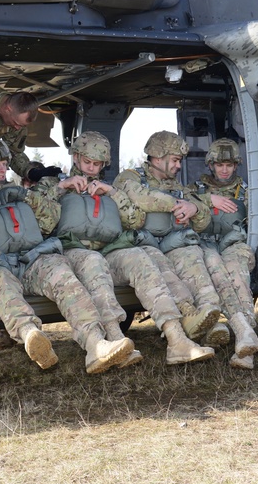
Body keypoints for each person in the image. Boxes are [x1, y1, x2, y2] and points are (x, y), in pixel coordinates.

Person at [27, 131, 215, 366]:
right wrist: (61, 188)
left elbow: (134, 221)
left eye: (97, 164)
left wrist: (114, 194)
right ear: (76, 158)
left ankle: (176, 338)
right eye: (87, 162)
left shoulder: (109, 187)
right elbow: (35, 217)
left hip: (109, 251)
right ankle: (115, 339)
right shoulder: (52, 184)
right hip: (72, 251)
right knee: (92, 261)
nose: (92, 169)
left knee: (141, 256)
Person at [0, 138, 135, 373]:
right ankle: (32, 337)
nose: (2, 169)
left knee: (61, 272)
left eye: (4, 163)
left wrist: (26, 196)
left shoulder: (15, 191)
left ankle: (95, 345)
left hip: (28, 261)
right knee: (0, 281)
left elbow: (49, 220)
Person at [113, 131, 225, 342]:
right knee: (159, 263)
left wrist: (195, 208)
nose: (179, 166)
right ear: (157, 157)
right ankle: (189, 316)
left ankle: (210, 316)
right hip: (143, 247)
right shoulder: (129, 178)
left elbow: (201, 218)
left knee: (194, 256)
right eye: (175, 160)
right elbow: (141, 198)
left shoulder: (175, 185)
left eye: (179, 161)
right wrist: (174, 204)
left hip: (171, 245)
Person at [196, 138, 258, 368]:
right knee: (211, 266)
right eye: (219, 165)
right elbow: (179, 201)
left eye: (229, 165)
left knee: (237, 273)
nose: (224, 170)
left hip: (234, 245)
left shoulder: (246, 191)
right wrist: (209, 199)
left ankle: (247, 345)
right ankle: (215, 329)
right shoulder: (197, 190)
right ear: (211, 165)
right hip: (206, 246)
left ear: (236, 166)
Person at [0, 87, 62, 182]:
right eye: (16, 123)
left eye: (21, 125)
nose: (17, 128)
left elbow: (14, 152)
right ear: (8, 109)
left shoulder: (16, 124)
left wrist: (32, 172)